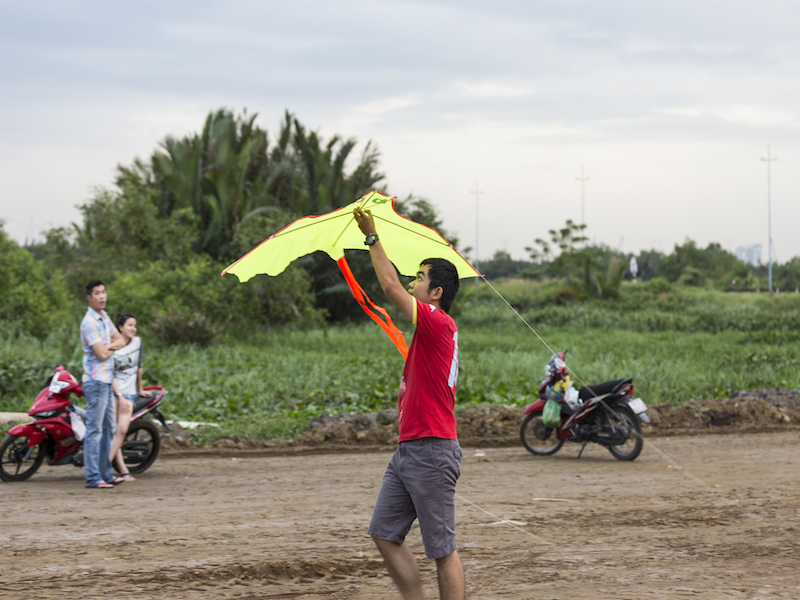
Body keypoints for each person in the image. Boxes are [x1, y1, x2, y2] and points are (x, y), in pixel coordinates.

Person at [354, 207, 465, 600]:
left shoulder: (437, 322)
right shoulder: (430, 331)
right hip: (410, 449)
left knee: (442, 549)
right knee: (384, 534)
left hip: (432, 449)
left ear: (435, 292)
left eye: (419, 278)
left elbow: (388, 287)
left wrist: (371, 235)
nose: (411, 282)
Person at [80, 280, 126, 488]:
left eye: (104, 292)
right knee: (95, 430)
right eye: (97, 293)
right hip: (96, 381)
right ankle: (93, 477)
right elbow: (100, 354)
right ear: (89, 298)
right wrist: (110, 347)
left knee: (109, 428)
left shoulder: (104, 317)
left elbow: (121, 340)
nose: (102, 296)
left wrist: (108, 347)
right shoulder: (89, 322)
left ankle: (106, 474)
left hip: (107, 381)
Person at [109, 313, 152, 482]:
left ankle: (104, 466)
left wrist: (140, 388)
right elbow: (110, 373)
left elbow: (138, 366)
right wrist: (119, 395)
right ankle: (123, 470)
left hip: (129, 393)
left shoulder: (137, 342)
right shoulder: (113, 346)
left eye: (135, 325)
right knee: (115, 431)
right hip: (114, 392)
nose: (133, 328)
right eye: (130, 325)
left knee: (122, 430)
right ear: (120, 327)